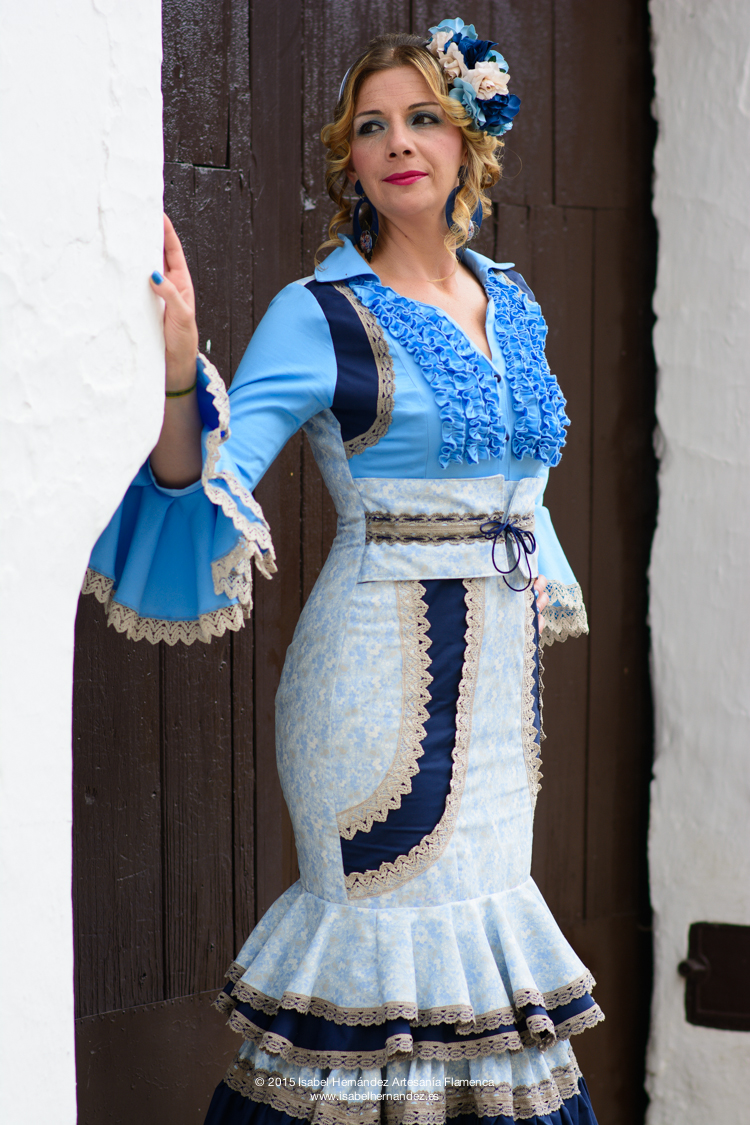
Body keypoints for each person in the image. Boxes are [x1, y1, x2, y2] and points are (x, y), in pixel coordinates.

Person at [84, 20, 598, 1125]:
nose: (397, 142)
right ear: (350, 159)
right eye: (372, 126)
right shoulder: (319, 313)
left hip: (500, 702)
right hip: (373, 694)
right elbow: (209, 479)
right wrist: (176, 375)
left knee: (486, 963)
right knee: (379, 972)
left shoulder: (513, 301)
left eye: (422, 118)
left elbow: (522, 488)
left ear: (468, 142)